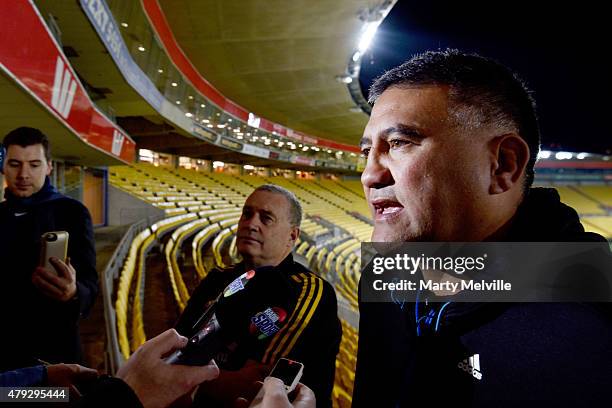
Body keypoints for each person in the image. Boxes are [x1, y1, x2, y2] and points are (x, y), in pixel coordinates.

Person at [352, 50, 611, 407]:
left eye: (399, 144)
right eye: (367, 152)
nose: (369, 175)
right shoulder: (382, 278)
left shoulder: (589, 333)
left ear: (502, 165)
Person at [175, 184, 341, 408]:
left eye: (266, 218)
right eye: (247, 214)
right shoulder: (217, 278)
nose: (251, 224)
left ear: (292, 236)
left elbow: (258, 385)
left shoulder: (309, 291)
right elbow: (176, 352)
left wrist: (192, 378)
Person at [0, 127, 98, 371]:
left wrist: (74, 291)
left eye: (34, 164)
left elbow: (90, 284)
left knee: (50, 400)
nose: (23, 174)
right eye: (14, 164)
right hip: (4, 356)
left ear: (48, 166)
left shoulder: (72, 212)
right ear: (3, 166)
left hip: (53, 355)